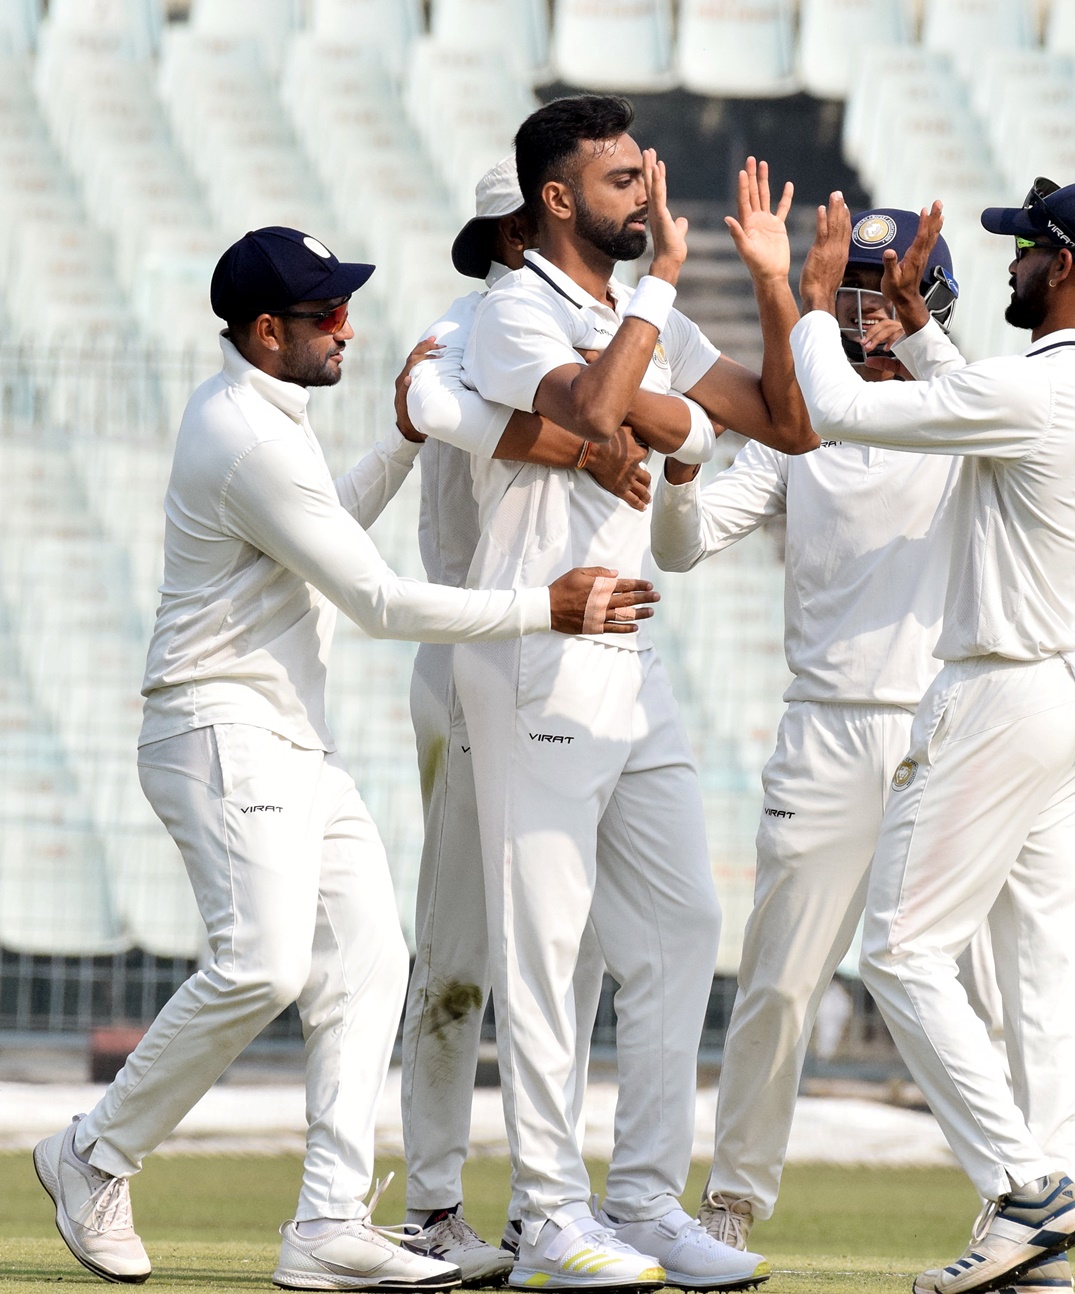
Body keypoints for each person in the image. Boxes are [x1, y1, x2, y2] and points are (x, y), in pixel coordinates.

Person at [32, 226, 658, 1290]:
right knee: (265, 965)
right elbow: (373, 598)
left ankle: (327, 1220)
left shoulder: (268, 416)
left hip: (285, 740)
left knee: (371, 962)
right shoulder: (247, 434)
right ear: (266, 332)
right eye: (327, 315)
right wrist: (540, 609)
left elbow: (333, 531)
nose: (349, 327)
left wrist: (407, 440)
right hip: (216, 727)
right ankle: (91, 1153)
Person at [457, 94, 817, 1292]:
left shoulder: (632, 313)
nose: (648, 198)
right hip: (538, 655)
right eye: (622, 181)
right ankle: (549, 1217)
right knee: (549, 946)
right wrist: (661, 295)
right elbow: (601, 412)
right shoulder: (517, 307)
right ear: (555, 200)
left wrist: (770, 280)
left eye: (646, 179)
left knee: (678, 932)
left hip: (633, 660)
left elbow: (787, 424)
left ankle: (648, 1198)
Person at [790, 180, 1075, 1294]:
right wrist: (927, 330)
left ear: (1070, 267)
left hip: (999, 693)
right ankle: (1035, 1252)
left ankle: (1026, 1191)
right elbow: (979, 405)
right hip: (1069, 690)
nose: (1011, 264)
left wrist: (807, 302)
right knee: (1039, 984)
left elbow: (839, 411)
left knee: (898, 947)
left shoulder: (1034, 392)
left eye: (1028, 252)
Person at [650, 189, 967, 1252]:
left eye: (891, 296)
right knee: (782, 985)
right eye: (860, 298)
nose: (873, 317)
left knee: (968, 986)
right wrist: (681, 473)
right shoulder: (800, 435)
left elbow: (964, 392)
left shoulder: (962, 411)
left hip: (943, 732)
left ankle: (1012, 1207)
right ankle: (733, 1202)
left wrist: (911, 321)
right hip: (827, 731)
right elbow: (683, 550)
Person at [398, 155, 641, 1282]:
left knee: (566, 948)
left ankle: (546, 1200)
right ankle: (433, 1204)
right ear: (504, 238)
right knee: (457, 955)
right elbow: (428, 404)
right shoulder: (473, 324)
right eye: (511, 231)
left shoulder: (586, 328)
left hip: (561, 659)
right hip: (473, 662)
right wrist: (595, 442)